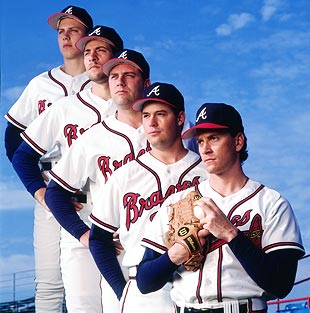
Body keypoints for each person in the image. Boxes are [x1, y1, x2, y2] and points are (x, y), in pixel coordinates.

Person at [136, 103, 305, 313]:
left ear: (238, 141)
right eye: (200, 141)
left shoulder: (271, 203)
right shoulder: (176, 203)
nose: (205, 149)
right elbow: (144, 282)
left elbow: (281, 285)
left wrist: (231, 234)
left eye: (214, 138)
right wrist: (177, 254)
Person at [11, 25, 124, 312]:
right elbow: (20, 149)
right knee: (70, 298)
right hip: (77, 213)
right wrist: (42, 193)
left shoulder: (135, 107)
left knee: (126, 302)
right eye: (88, 51)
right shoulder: (63, 107)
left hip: (127, 224)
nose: (93, 57)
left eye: (100, 50)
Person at [44, 49, 152, 313]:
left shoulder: (170, 130)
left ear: (146, 84)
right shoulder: (93, 138)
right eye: (114, 75)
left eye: (129, 75)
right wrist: (84, 235)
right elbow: (55, 193)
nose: (120, 81)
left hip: (171, 253)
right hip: (120, 252)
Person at [88, 81, 209, 313]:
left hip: (199, 282)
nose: (151, 123)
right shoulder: (124, 176)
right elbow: (98, 239)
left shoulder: (206, 173)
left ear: (180, 118)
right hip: (145, 291)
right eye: (146, 115)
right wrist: (120, 289)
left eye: (161, 114)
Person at [3, 6, 93, 312]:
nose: (66, 36)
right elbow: (12, 137)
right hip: (51, 186)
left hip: (92, 190)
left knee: (96, 282)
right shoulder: (41, 84)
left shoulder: (102, 85)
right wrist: (37, 187)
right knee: (49, 283)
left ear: (88, 38)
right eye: (61, 32)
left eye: (74, 30)